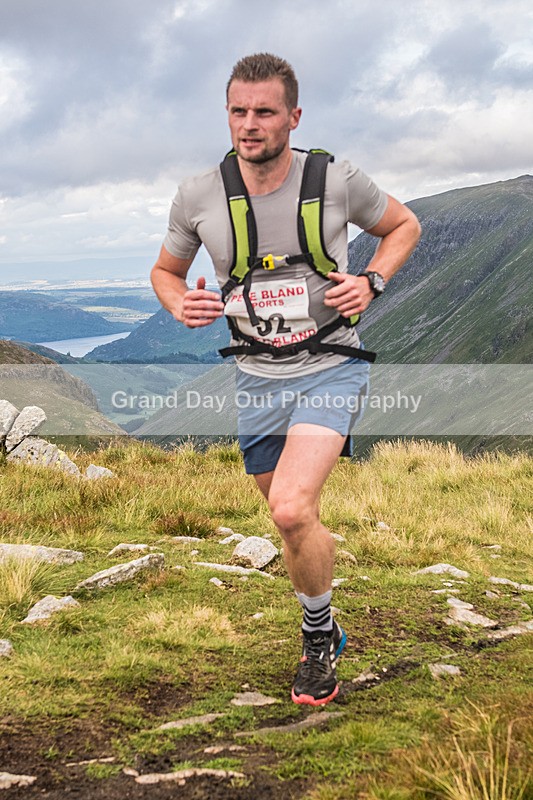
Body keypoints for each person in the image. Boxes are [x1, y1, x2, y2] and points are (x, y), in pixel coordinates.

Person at [151, 53, 421, 706]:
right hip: (254, 378)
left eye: (264, 111)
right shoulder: (196, 194)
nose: (248, 124)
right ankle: (325, 614)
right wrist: (175, 302)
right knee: (294, 524)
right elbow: (164, 271)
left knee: (291, 507)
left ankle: (317, 638)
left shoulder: (335, 179)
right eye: (237, 111)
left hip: (331, 365)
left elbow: (402, 226)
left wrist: (371, 281)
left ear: (292, 117)